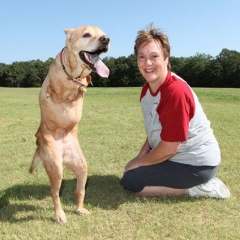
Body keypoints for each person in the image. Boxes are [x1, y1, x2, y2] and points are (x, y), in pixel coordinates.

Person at [120, 23, 230, 199]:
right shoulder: (146, 90)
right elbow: (155, 131)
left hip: (196, 164)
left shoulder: (175, 92)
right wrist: (138, 158)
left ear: (166, 58)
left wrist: (139, 163)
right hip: (177, 157)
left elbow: (170, 148)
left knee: (131, 181)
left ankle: (200, 189)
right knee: (132, 172)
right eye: (142, 57)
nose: (147, 63)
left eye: (154, 56)